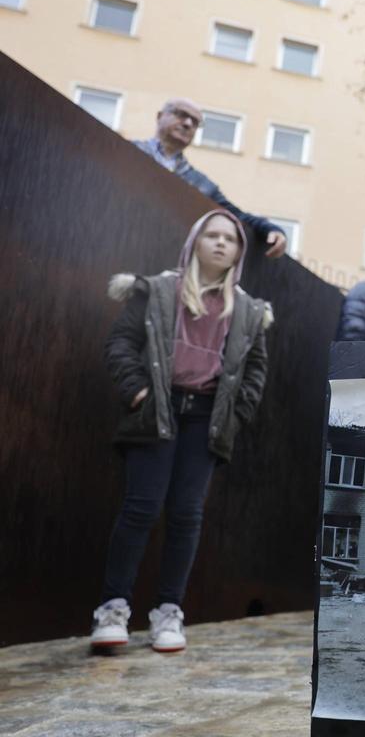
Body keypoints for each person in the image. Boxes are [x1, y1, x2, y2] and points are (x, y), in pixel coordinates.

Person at [91, 210, 273, 653]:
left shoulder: (248, 310)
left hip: (206, 418)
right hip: (157, 409)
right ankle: (112, 611)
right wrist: (137, 392)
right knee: (140, 508)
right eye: (210, 235)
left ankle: (169, 614)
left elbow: (255, 368)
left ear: (238, 252)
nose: (219, 243)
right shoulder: (157, 290)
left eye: (229, 239)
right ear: (194, 242)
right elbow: (120, 342)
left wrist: (235, 413)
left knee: (187, 516)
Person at [133, 99, 287, 259]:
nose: (187, 123)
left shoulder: (201, 184)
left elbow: (235, 216)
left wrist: (270, 229)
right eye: (181, 114)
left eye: (195, 122)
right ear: (159, 116)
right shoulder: (126, 152)